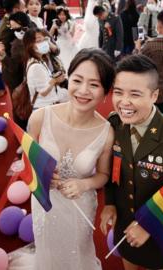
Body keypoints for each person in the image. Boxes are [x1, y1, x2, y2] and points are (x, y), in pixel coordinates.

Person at [100, 54, 163, 270]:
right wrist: (109, 202)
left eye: (135, 94)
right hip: (124, 225)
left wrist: (150, 225)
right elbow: (111, 171)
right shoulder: (114, 124)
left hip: (159, 235)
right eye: (118, 92)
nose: (124, 102)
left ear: (154, 95)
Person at [27, 48, 115, 270]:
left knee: (76, 249)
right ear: (68, 79)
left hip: (80, 205)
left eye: (94, 84)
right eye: (77, 80)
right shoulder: (39, 118)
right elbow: (28, 162)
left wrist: (84, 183)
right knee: (46, 246)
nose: (83, 90)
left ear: (106, 92)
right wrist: (40, 173)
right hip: (44, 201)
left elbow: (104, 175)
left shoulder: (106, 131)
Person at [134, 9, 163, 115]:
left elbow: (137, 61)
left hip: (152, 88)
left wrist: (138, 46)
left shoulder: (150, 45)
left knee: (149, 114)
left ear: (159, 25)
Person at [23, 28, 66, 111]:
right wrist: (55, 80)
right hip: (43, 108)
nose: (43, 43)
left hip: (46, 106)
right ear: (30, 45)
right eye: (38, 41)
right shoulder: (36, 66)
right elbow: (43, 92)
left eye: (44, 40)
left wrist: (55, 80)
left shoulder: (40, 60)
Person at [49, 6, 76, 70]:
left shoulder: (70, 23)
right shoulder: (56, 22)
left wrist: (68, 31)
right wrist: (54, 27)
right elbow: (50, 34)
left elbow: (72, 35)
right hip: (60, 43)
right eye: (60, 15)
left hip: (69, 43)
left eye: (64, 15)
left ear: (67, 15)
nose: (62, 16)